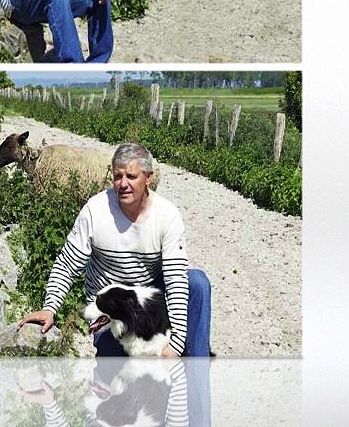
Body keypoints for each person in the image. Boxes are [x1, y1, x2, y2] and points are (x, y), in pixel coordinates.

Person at [17, 143, 212, 357]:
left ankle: (196, 370)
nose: (123, 184)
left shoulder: (167, 215)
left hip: (147, 298)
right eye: (118, 176)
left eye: (132, 176)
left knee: (197, 283)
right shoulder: (95, 211)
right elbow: (67, 265)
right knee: (116, 373)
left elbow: (175, 279)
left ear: (148, 178)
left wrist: (175, 345)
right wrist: (49, 308)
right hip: (109, 308)